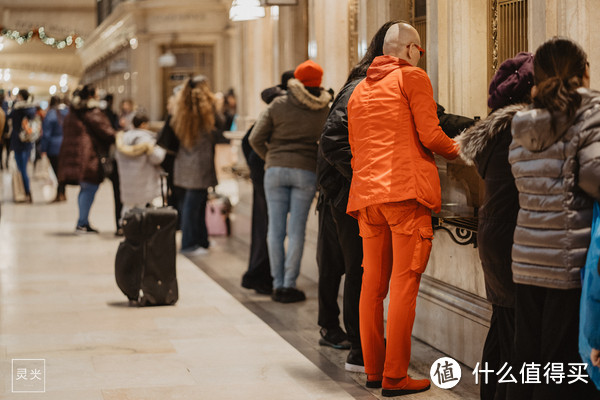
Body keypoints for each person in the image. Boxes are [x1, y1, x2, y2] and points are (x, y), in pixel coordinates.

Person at [346, 22, 459, 396]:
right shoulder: (412, 78)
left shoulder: (359, 90)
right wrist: (468, 150)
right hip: (405, 195)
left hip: (367, 198)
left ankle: (374, 371)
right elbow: (431, 135)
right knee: (404, 283)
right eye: (420, 51)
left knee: (371, 286)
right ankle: (396, 376)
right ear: (411, 49)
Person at [506, 37, 600, 399]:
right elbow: (594, 178)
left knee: (527, 360)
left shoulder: (522, 125)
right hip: (567, 262)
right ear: (582, 72)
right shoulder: (588, 114)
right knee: (561, 367)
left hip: (527, 258)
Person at [317, 20, 399, 372]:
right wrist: (365, 173)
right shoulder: (361, 86)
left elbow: (433, 116)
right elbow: (331, 141)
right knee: (361, 271)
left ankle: (364, 347)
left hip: (356, 192)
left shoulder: (387, 83)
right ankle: (359, 350)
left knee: (365, 272)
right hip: (349, 195)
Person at [456, 52, 534, 400]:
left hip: (495, 235)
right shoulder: (525, 131)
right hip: (516, 237)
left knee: (502, 326)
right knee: (520, 335)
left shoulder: (494, 133)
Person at [250, 60, 332, 303]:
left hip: (275, 170)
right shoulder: (323, 108)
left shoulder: (279, 103)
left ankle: (277, 284)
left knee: (275, 230)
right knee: (297, 231)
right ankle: (289, 284)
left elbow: (255, 138)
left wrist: (271, 159)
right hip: (305, 171)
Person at [240, 71, 294, 296]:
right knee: (268, 225)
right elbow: (250, 140)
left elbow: (247, 140)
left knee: (264, 224)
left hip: (262, 169)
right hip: (265, 170)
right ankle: (262, 275)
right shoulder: (284, 103)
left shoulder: (277, 101)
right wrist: (267, 160)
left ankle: (260, 274)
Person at [58, 84, 117, 233]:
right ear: (91, 96)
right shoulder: (92, 112)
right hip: (88, 155)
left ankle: (82, 221)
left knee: (86, 187)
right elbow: (106, 132)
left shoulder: (72, 112)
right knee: (90, 186)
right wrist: (120, 137)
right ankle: (82, 222)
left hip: (75, 153)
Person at [171, 75, 218, 256]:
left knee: (194, 204)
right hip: (199, 164)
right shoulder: (206, 110)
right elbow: (219, 124)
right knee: (193, 206)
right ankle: (189, 243)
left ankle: (201, 240)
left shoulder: (181, 109)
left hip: (183, 163)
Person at [115, 113, 166, 218]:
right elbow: (157, 158)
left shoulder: (122, 138)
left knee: (127, 207)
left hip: (126, 181)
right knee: (142, 209)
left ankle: (125, 227)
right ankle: (139, 231)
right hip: (144, 182)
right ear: (143, 124)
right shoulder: (146, 139)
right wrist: (163, 148)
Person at [8, 89, 37, 203]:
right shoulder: (31, 108)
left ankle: (26, 191)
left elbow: (9, 116)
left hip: (18, 141)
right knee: (24, 168)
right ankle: (27, 192)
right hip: (27, 140)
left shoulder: (17, 109)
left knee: (21, 169)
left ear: (20, 96)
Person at [41, 95, 69, 202]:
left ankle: (60, 193)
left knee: (58, 171)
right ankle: (62, 193)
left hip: (54, 147)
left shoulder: (50, 114)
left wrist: (43, 149)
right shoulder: (66, 112)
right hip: (65, 145)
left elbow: (46, 134)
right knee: (62, 171)